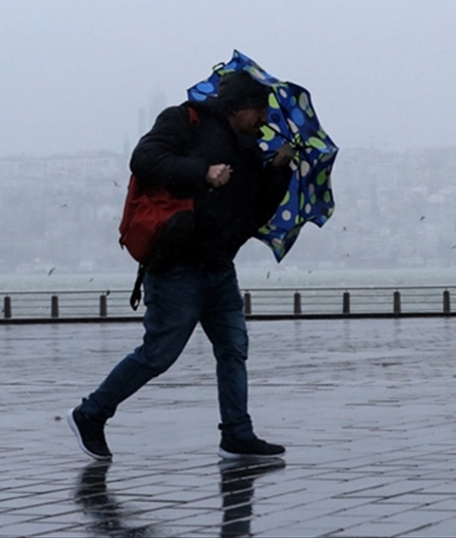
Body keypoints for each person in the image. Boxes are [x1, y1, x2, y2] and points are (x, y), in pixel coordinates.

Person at [67, 70, 293, 461]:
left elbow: (255, 215)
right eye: (259, 108)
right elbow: (144, 160)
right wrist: (202, 172)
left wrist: (277, 171)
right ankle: (91, 413)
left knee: (233, 349)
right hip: (176, 265)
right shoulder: (184, 120)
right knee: (159, 353)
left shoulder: (249, 150)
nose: (264, 118)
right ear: (237, 107)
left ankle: (237, 435)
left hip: (219, 267)